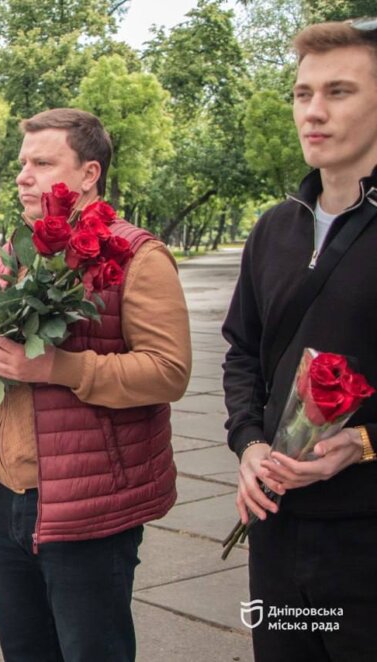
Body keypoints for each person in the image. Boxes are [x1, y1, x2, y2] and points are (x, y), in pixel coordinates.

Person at [0, 108, 191, 662]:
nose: (24, 175)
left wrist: (59, 368)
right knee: (26, 650)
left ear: (89, 173)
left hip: (88, 500)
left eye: (43, 163)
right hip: (7, 496)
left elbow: (169, 371)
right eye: (23, 162)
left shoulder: (134, 255)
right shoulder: (20, 252)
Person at [222, 19, 377, 662]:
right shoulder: (275, 229)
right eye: (301, 93)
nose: (313, 111)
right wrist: (250, 444)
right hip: (277, 525)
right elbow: (241, 352)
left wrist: (365, 442)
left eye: (338, 92)